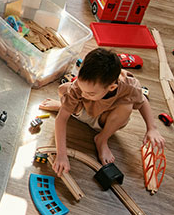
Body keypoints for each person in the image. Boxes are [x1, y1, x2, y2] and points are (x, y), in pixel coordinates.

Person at [39, 48, 165, 176]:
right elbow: (61, 120)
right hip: (83, 110)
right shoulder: (82, 86)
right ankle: (64, 107)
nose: (83, 93)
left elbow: (142, 101)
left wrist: (152, 128)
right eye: (82, 88)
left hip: (104, 121)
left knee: (127, 106)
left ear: (111, 87)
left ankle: (102, 139)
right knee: (63, 89)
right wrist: (61, 155)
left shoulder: (129, 86)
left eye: (90, 93)